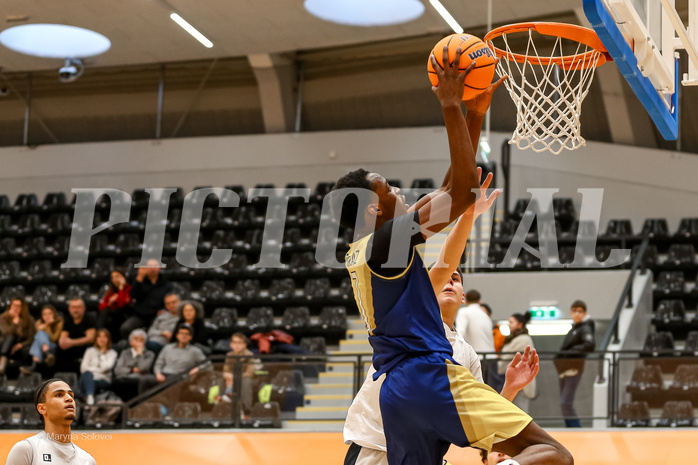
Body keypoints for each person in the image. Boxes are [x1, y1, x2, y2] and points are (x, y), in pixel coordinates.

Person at [334, 45, 571, 465]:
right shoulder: (386, 243)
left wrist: (474, 114)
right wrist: (450, 105)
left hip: (399, 391)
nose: (400, 193)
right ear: (374, 209)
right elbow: (461, 192)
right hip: (427, 376)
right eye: (389, 190)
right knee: (552, 454)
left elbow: (451, 193)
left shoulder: (369, 249)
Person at [5, 378, 96, 465]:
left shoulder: (88, 460)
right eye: (59, 395)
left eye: (71, 395)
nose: (69, 399)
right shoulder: (26, 449)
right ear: (42, 408)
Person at [555, 300, 595, 428]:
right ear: (571, 313)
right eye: (575, 311)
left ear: (585, 313)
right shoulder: (574, 328)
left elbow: (590, 345)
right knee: (564, 404)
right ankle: (570, 429)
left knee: (565, 403)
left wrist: (569, 353)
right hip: (565, 370)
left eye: (580, 311)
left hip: (573, 368)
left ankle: (577, 429)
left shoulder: (585, 328)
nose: (577, 314)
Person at [138, 323, 207, 394]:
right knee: (144, 379)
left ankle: (168, 404)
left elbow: (208, 364)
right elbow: (159, 363)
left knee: (173, 382)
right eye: (182, 333)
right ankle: (142, 404)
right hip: (164, 375)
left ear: (190, 337)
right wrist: (158, 373)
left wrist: (198, 369)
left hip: (180, 376)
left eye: (186, 334)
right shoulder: (167, 347)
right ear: (177, 335)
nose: (183, 336)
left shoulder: (195, 351)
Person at [121, 258, 173, 340]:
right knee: (125, 328)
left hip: (156, 316)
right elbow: (132, 295)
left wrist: (165, 309)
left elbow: (169, 299)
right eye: (149, 266)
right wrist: (139, 278)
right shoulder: (139, 281)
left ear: (160, 268)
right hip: (140, 315)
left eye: (155, 266)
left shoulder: (166, 284)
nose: (152, 268)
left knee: (155, 334)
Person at [498, 312, 536, 413]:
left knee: (520, 413)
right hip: (512, 380)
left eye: (511, 322)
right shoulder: (513, 338)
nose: (509, 324)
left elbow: (506, 356)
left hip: (521, 382)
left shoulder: (523, 339)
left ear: (520, 324)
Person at [221, 333, 259, 413]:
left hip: (248, 379)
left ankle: (246, 409)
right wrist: (227, 375)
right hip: (231, 379)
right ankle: (221, 406)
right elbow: (225, 370)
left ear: (245, 345)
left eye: (239, 343)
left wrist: (234, 377)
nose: (237, 345)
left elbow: (250, 373)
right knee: (221, 380)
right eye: (234, 343)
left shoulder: (249, 355)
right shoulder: (229, 355)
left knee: (245, 382)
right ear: (231, 344)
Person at [113, 329, 155, 401]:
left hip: (139, 380)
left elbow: (143, 368)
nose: (138, 342)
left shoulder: (149, 354)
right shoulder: (125, 353)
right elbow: (117, 370)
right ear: (131, 342)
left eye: (141, 340)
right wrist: (132, 370)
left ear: (145, 342)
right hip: (123, 379)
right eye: (136, 339)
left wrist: (140, 354)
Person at [78, 329, 117, 406]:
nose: (102, 339)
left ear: (108, 339)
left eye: (104, 337)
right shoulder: (89, 351)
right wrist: (96, 371)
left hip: (102, 380)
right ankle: (90, 397)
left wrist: (103, 354)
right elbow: (83, 369)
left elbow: (105, 368)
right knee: (87, 374)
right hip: (87, 378)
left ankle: (88, 399)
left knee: (88, 376)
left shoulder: (113, 353)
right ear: (96, 339)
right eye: (99, 337)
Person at [57, 298, 96, 373]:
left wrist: (71, 342)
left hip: (84, 348)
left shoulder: (89, 318)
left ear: (83, 308)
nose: (75, 310)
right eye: (73, 307)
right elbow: (63, 338)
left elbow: (90, 338)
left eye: (78, 307)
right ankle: (61, 374)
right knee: (59, 349)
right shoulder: (68, 319)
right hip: (71, 348)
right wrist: (64, 342)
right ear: (69, 309)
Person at [22, 305, 64, 374]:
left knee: (40, 333)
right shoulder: (38, 323)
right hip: (42, 346)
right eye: (45, 314)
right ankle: (48, 354)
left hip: (53, 345)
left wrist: (47, 326)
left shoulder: (59, 322)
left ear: (54, 314)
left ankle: (34, 365)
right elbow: (36, 337)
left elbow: (54, 338)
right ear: (42, 316)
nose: (47, 316)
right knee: (38, 337)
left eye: (50, 313)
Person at [0, 298, 36, 375]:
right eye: (14, 306)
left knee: (26, 349)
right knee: (10, 337)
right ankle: (2, 362)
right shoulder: (3, 318)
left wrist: (20, 345)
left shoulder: (29, 320)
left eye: (18, 306)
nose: (15, 308)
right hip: (5, 345)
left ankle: (23, 368)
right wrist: (15, 323)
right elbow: (5, 332)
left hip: (22, 346)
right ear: (10, 306)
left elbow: (31, 338)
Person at [97, 268, 131, 342]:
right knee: (107, 317)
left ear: (124, 277)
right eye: (113, 277)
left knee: (109, 316)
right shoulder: (110, 290)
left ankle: (98, 335)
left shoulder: (129, 289)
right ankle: (101, 335)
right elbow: (101, 307)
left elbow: (122, 305)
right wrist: (109, 303)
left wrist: (121, 288)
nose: (115, 279)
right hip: (112, 317)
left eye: (117, 276)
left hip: (125, 315)